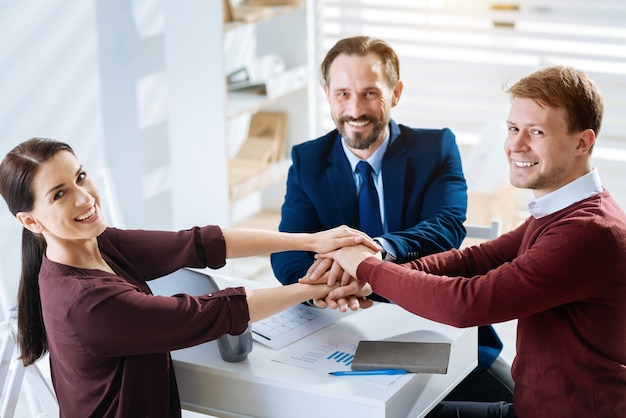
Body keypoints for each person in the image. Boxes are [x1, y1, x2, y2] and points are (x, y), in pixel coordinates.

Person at [306, 65, 626, 417]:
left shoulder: (587, 233)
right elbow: (475, 261)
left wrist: (366, 266)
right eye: (513, 128)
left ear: (583, 142)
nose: (516, 144)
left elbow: (466, 304)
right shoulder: (561, 210)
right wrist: (371, 277)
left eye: (536, 132)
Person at [0, 138, 376, 418]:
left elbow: (200, 243)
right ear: (30, 221)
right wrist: (325, 284)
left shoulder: (98, 244)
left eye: (81, 177)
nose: (84, 198)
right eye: (60, 194)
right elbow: (206, 313)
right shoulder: (85, 303)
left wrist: (313, 239)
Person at [270, 35, 510, 400]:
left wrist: (374, 253)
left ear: (395, 93)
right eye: (342, 94)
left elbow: (445, 228)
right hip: (343, 329)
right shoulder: (307, 160)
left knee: (512, 402)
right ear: (327, 93)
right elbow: (289, 249)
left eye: (370, 93)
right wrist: (325, 289)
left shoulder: (436, 148)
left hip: (430, 322)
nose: (355, 110)